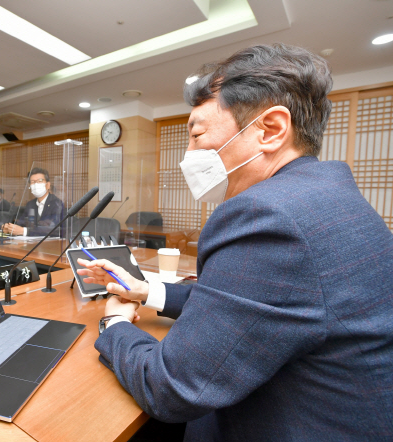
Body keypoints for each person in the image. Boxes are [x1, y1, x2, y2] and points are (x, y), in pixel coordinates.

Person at [77, 44, 393, 441]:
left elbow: (172, 387)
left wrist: (114, 324)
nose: (188, 155)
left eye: (197, 134)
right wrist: (147, 291)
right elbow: (249, 306)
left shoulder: (271, 218)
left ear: (271, 129)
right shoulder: (324, 199)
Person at [2, 168, 65, 237]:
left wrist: (25, 231)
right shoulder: (30, 204)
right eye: (33, 182)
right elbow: (21, 223)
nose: (36, 184)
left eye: (40, 181)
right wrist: (10, 228)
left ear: (48, 185)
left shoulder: (56, 203)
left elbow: (53, 229)